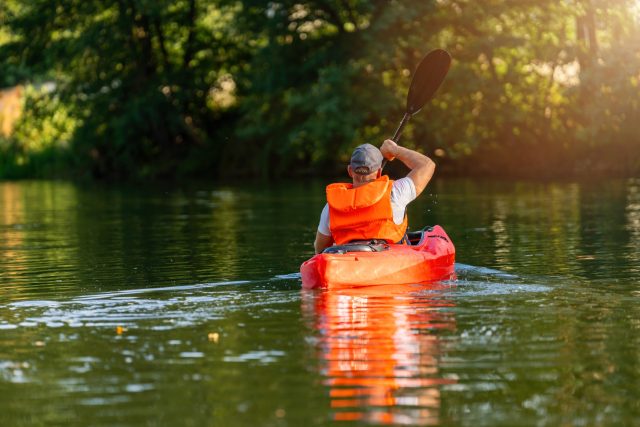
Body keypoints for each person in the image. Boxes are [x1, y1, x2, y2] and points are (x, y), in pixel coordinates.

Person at [314, 139, 436, 254]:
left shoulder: (331, 206)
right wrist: (394, 149)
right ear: (378, 172)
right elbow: (427, 165)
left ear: (350, 171)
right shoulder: (395, 193)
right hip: (387, 263)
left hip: (346, 264)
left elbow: (320, 249)